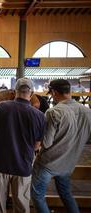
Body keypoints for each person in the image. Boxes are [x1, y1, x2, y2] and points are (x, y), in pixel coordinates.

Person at [31, 79, 91, 213]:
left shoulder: (53, 112)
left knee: (37, 195)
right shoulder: (87, 112)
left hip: (48, 163)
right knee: (66, 194)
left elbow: (46, 142)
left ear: (55, 92)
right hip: (69, 163)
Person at [0, 78, 46, 213]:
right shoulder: (39, 116)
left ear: (14, 92)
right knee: (21, 205)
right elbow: (37, 146)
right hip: (23, 166)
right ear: (31, 94)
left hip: (0, 163)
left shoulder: (2, 106)